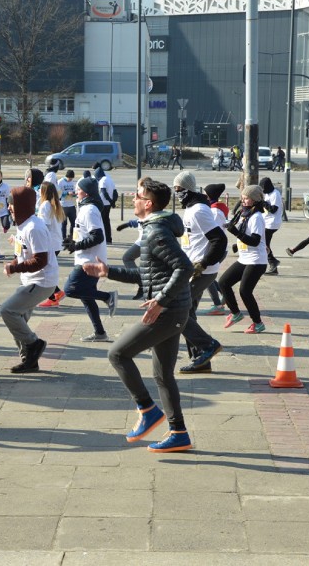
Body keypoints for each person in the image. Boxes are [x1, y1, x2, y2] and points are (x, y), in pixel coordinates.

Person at [82, 178, 194, 453]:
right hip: (174, 308)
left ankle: (147, 409)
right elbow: (145, 276)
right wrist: (109, 272)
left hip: (169, 310)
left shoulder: (156, 233)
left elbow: (185, 268)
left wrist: (160, 300)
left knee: (117, 354)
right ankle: (178, 432)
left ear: (149, 203)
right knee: (163, 374)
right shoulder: (153, 229)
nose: (132, 198)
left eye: (138, 195)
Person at [172, 171, 226, 374]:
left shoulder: (198, 211)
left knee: (176, 310)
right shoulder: (191, 208)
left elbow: (219, 239)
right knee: (188, 311)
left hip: (201, 272)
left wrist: (202, 263)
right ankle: (201, 359)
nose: (176, 193)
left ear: (188, 189)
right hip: (193, 269)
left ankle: (208, 346)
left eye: (178, 189)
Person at [0, 186, 59, 373]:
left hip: (41, 281)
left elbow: (40, 260)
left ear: (22, 205)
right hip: (31, 280)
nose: (9, 208)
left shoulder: (34, 227)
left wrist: (15, 267)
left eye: (12, 204)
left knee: (8, 311)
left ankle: (35, 344)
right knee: (18, 322)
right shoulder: (23, 225)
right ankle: (29, 361)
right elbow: (24, 254)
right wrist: (13, 263)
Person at [62, 176, 117, 342]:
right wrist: (73, 241)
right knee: (87, 297)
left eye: (78, 189)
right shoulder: (87, 207)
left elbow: (98, 236)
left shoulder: (89, 210)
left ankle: (108, 297)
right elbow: (85, 233)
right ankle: (100, 333)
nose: (75, 192)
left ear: (85, 193)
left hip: (89, 261)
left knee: (70, 289)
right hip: (87, 258)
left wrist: (76, 246)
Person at [220, 184, 268, 334]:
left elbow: (254, 240)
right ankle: (235, 313)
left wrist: (235, 233)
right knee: (223, 282)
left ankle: (258, 323)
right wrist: (237, 243)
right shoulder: (244, 213)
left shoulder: (257, 217)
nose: (243, 200)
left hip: (256, 260)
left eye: (246, 198)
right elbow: (242, 232)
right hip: (244, 258)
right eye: (242, 198)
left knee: (245, 291)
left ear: (254, 200)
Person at [36, 181, 66, 307]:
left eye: (40, 189)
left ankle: (55, 294)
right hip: (56, 242)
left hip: (50, 244)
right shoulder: (54, 204)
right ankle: (55, 295)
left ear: (43, 192)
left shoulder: (45, 205)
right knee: (44, 270)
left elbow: (45, 226)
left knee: (43, 271)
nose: (38, 191)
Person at [202, 182, 229, 316]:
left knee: (207, 277)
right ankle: (225, 296)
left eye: (205, 194)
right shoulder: (214, 209)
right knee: (209, 277)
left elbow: (215, 234)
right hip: (216, 249)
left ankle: (218, 305)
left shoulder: (215, 212)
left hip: (216, 249)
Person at [260, 177, 283, 275]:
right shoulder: (267, 194)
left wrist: (264, 203)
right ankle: (273, 264)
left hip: (272, 223)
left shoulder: (275, 194)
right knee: (264, 243)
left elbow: (273, 209)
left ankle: (272, 262)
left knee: (263, 243)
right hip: (266, 221)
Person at [94, 165, 116, 241]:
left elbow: (104, 193)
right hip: (108, 205)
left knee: (101, 222)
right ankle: (109, 238)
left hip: (103, 204)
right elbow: (115, 192)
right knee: (107, 221)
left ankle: (103, 239)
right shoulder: (110, 179)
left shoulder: (102, 181)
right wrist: (113, 202)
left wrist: (110, 200)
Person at [0, 169, 12, 241]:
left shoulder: (6, 186)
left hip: (4, 211)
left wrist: (9, 210)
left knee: (6, 225)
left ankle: (5, 227)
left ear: (1, 177)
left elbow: (8, 199)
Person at [58, 169, 77, 239]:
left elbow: (73, 191)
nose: (70, 180)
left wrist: (74, 194)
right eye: (69, 178)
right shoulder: (60, 182)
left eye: (72, 178)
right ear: (66, 176)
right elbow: (58, 194)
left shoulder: (72, 182)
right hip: (63, 205)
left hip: (71, 205)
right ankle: (63, 238)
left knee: (74, 223)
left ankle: (72, 237)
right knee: (63, 223)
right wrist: (67, 193)